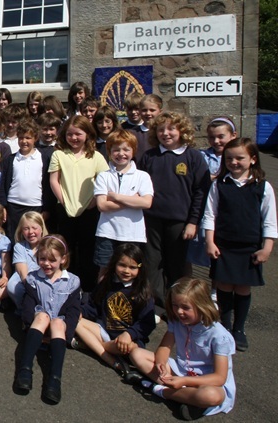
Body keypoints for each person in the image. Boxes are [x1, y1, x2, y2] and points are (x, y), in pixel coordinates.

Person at [203, 138, 276, 352]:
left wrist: (267, 247)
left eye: (240, 158)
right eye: (229, 158)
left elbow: (270, 220)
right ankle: (224, 327)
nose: (234, 162)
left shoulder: (263, 186)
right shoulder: (219, 184)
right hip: (223, 245)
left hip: (249, 247)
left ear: (253, 159)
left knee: (243, 288)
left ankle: (239, 329)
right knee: (224, 286)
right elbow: (210, 215)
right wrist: (209, 241)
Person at [129, 278, 236, 421]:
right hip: (182, 371)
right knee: (137, 354)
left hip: (207, 382)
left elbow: (219, 378)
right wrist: (161, 364)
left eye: (186, 307)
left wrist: (183, 380)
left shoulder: (219, 336)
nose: (179, 311)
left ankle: (160, 390)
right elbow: (164, 348)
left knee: (211, 396)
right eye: (175, 305)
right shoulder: (177, 321)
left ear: (201, 306)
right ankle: (187, 398)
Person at [139, 111, 210, 307]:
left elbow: (200, 193)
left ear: (182, 130)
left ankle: (178, 303)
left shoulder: (193, 157)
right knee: (152, 263)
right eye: (161, 129)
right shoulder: (149, 156)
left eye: (171, 128)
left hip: (180, 221)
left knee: (176, 264)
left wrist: (193, 222)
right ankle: (158, 304)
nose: (166, 133)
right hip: (151, 219)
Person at [13, 235, 81, 404]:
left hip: (59, 328)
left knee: (57, 321)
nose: (47, 264)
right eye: (42, 259)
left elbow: (73, 311)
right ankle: (25, 369)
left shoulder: (72, 281)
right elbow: (28, 306)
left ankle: (55, 379)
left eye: (52, 260)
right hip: (38, 324)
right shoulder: (33, 279)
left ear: (63, 259)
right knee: (42, 315)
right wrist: (29, 324)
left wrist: (68, 333)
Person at [74, 243, 155, 381]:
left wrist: (129, 334)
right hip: (103, 332)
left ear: (140, 268)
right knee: (75, 320)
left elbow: (147, 323)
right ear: (114, 263)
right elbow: (94, 307)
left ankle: (94, 346)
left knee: (131, 348)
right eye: (122, 265)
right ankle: (109, 358)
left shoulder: (143, 292)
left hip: (126, 341)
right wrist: (81, 311)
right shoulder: (107, 282)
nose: (126, 271)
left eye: (132, 267)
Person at [49, 115, 109, 291]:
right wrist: (64, 202)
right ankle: (66, 286)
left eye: (78, 134)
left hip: (89, 210)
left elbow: (103, 181)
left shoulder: (96, 156)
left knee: (87, 250)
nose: (74, 138)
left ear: (88, 134)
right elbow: (54, 181)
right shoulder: (58, 154)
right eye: (70, 134)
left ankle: (88, 288)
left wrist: (92, 203)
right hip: (65, 210)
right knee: (66, 250)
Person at [94, 130, 153, 276]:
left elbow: (146, 203)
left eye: (126, 149)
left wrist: (115, 197)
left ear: (133, 151)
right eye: (116, 150)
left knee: (131, 271)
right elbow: (102, 205)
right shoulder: (103, 176)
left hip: (133, 234)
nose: (121, 154)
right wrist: (133, 199)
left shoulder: (142, 176)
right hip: (107, 232)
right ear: (109, 151)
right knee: (105, 270)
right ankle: (101, 298)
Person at [187, 118, 239, 276]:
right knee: (198, 250)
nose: (216, 141)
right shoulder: (201, 156)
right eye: (211, 137)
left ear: (233, 135)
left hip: (229, 211)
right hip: (205, 209)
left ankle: (218, 288)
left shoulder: (239, 158)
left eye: (221, 136)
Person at [0, 118, 52, 237]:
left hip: (35, 207)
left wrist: (47, 209)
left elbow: (48, 185)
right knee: (13, 239)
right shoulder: (10, 159)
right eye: (21, 137)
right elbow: (2, 185)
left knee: (33, 239)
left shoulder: (44, 158)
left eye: (28, 138)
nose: (24, 141)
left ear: (35, 138)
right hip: (13, 206)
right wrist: (3, 206)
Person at [6, 211, 47, 310]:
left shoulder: (47, 246)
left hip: (43, 276)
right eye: (26, 228)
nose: (31, 232)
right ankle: (24, 309)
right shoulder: (19, 246)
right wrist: (29, 287)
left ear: (42, 229)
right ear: (21, 231)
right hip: (25, 278)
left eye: (34, 228)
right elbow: (21, 270)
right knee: (12, 286)